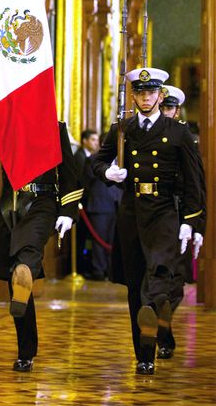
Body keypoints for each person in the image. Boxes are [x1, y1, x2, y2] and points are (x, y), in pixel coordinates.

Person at [92, 67, 204, 376]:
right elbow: (97, 163)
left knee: (156, 282)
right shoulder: (122, 129)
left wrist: (192, 222)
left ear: (160, 94)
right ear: (133, 95)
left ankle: (154, 329)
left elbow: (195, 181)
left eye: (151, 92)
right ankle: (143, 355)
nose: (146, 97)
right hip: (131, 213)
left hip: (165, 213)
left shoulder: (178, 131)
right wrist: (108, 174)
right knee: (134, 286)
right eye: (140, 93)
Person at [0, 108, 82, 372]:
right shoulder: (7, 123)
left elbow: (70, 173)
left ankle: (26, 349)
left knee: (25, 257)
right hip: (9, 206)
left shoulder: (54, 127)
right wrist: (1, 109)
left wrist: (68, 212)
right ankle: (26, 349)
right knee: (15, 279)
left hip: (42, 203)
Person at [157, 84, 206, 360]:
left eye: (170, 108)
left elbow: (197, 186)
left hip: (179, 217)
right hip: (155, 214)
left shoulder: (185, 137)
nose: (166, 112)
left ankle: (164, 330)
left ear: (177, 111)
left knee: (175, 282)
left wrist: (197, 225)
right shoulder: (145, 135)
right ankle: (161, 332)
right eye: (162, 106)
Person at [83, 133, 122, 280]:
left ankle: (111, 271)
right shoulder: (93, 159)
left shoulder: (120, 158)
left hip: (116, 204)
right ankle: (99, 271)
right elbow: (86, 181)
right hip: (99, 205)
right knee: (99, 240)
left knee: (112, 240)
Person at [74, 129, 99, 277]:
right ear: (85, 141)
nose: (96, 143)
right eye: (93, 140)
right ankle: (80, 268)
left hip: (88, 202)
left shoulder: (89, 156)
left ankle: (85, 266)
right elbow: (80, 180)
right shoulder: (80, 157)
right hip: (81, 203)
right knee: (81, 238)